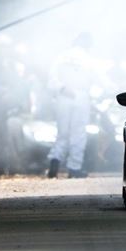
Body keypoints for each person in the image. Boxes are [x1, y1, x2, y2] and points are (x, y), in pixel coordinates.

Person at [47, 31, 98, 179]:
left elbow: (51, 80)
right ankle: (74, 168)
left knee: (62, 133)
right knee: (78, 133)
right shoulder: (89, 59)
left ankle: (54, 161)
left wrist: (62, 88)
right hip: (81, 97)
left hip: (63, 96)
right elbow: (100, 79)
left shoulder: (61, 57)